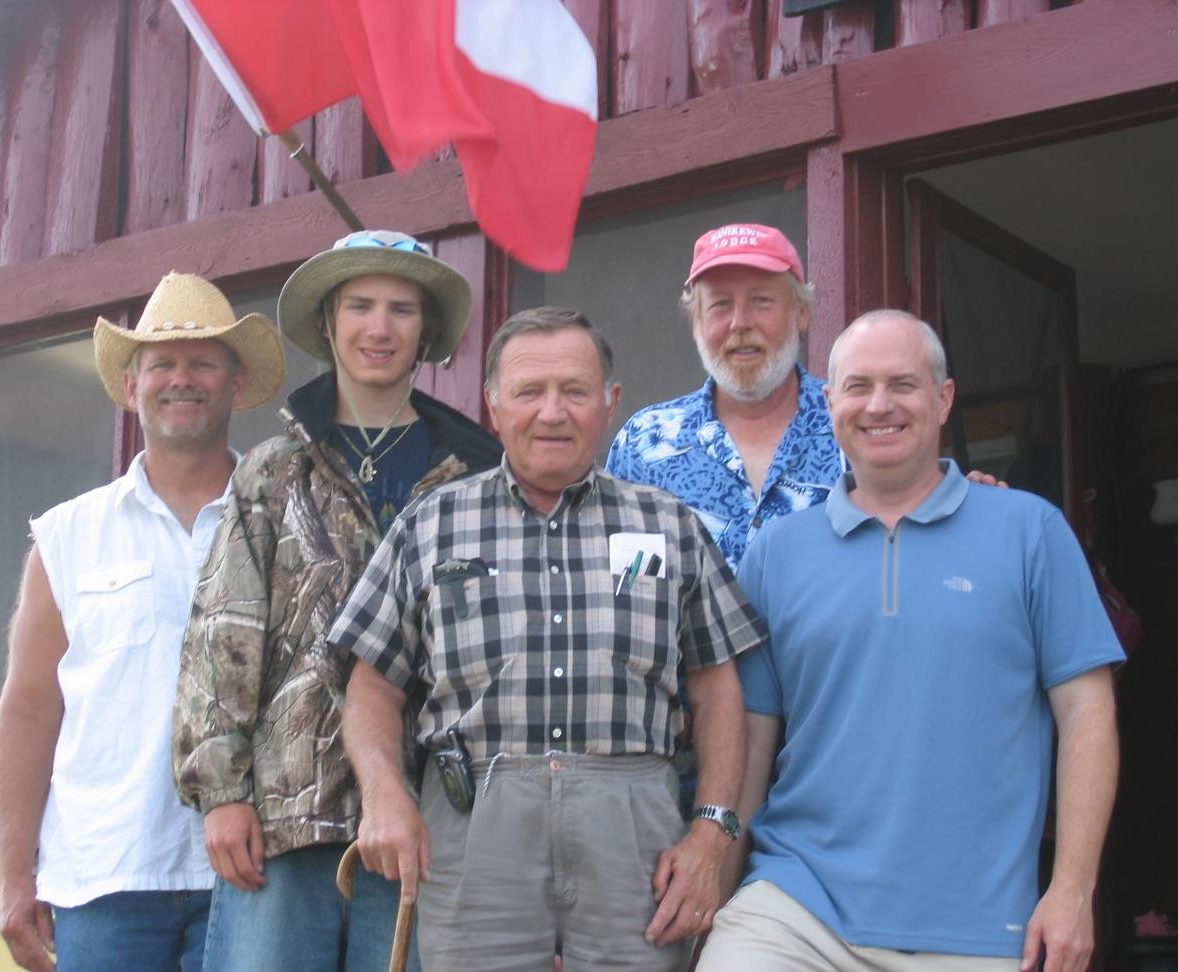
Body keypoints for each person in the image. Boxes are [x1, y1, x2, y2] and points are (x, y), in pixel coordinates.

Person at [328, 306, 766, 971]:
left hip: (635, 836)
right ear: (495, 406)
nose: (552, 412)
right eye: (530, 392)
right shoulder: (432, 525)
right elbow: (371, 684)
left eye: (575, 391)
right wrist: (385, 794)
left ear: (610, 403)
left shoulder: (666, 526)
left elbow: (716, 688)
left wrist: (711, 833)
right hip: (474, 830)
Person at [698, 310, 1123, 972]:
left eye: (903, 384)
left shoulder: (1029, 530)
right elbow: (753, 737)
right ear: (830, 400)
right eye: (858, 386)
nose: (879, 405)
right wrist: (717, 899)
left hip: (979, 926)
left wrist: (1072, 891)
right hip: (794, 909)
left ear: (943, 399)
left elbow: (1087, 713)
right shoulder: (777, 552)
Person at [171, 230, 501, 972]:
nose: (379, 328)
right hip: (286, 816)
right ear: (328, 323)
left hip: (435, 822)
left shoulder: (477, 473)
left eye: (401, 310)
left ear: (427, 333)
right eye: (359, 306)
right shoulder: (272, 470)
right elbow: (223, 629)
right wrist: (221, 791)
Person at [0, 273, 286, 972]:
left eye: (202, 362)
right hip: (106, 878)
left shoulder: (286, 523)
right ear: (132, 387)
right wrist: (12, 878)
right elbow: (29, 710)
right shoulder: (67, 537)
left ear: (236, 385)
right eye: (162, 364)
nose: (181, 379)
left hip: (258, 868)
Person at [606, 222, 842, 575]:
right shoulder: (643, 444)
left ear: (801, 313)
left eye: (762, 301)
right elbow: (623, 590)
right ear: (695, 321)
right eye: (720, 305)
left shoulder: (851, 425)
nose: (740, 323)